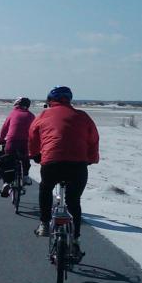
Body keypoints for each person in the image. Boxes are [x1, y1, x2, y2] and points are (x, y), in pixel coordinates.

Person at [28, 86, 99, 256]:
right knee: (74, 201)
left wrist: (35, 155)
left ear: (50, 100)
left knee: (45, 188)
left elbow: (32, 135)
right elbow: (93, 139)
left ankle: (44, 224)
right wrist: (91, 159)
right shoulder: (82, 116)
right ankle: (75, 239)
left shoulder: (44, 115)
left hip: (52, 163)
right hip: (78, 165)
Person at [0, 97, 35, 197]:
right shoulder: (31, 115)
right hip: (26, 143)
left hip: (12, 142)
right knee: (25, 159)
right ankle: (26, 176)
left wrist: (1, 140)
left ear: (16, 104)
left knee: (7, 161)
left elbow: (4, 128)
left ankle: (6, 183)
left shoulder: (13, 114)